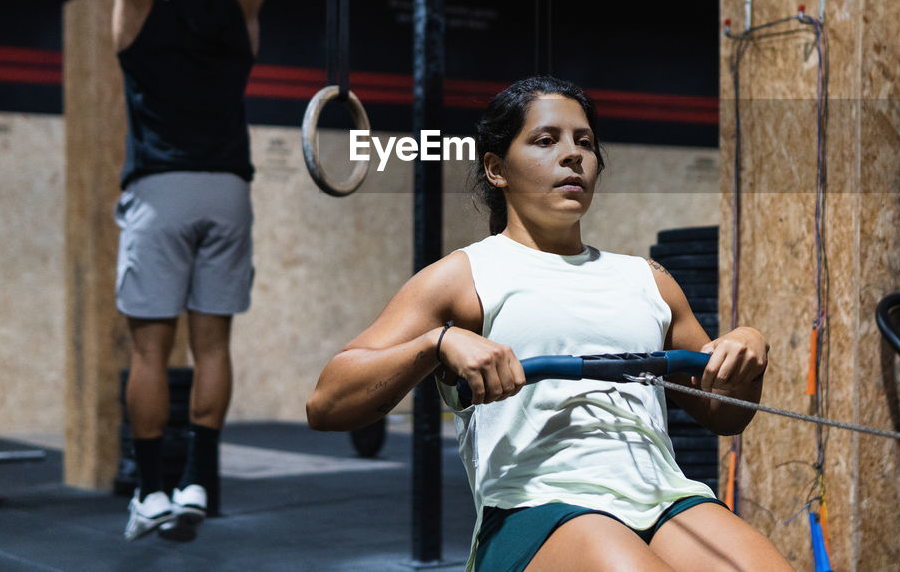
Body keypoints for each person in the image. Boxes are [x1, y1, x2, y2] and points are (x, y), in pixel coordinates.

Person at [307, 75, 793, 571]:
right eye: (546, 140)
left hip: (665, 497)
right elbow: (326, 404)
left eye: (585, 142)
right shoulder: (464, 276)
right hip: (538, 505)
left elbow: (725, 415)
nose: (573, 155)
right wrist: (438, 343)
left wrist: (747, 352)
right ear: (497, 169)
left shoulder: (648, 278)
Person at [44, 0, 285, 542]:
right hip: (228, 188)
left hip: (161, 187)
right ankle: (199, 484)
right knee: (212, 341)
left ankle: (149, 491)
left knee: (152, 350)